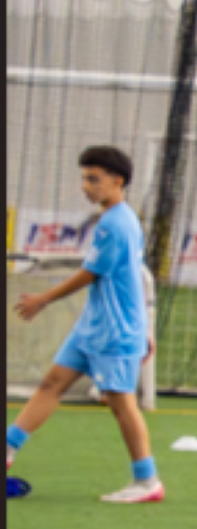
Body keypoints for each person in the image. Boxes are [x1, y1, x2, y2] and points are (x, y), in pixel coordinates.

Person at [7, 145, 161, 503]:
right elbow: (131, 277)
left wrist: (43, 298)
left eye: (93, 179)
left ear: (117, 182)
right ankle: (8, 450)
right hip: (94, 326)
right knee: (52, 383)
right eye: (84, 178)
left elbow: (91, 273)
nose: (85, 186)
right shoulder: (118, 219)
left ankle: (147, 481)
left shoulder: (115, 223)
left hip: (113, 331)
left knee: (120, 402)